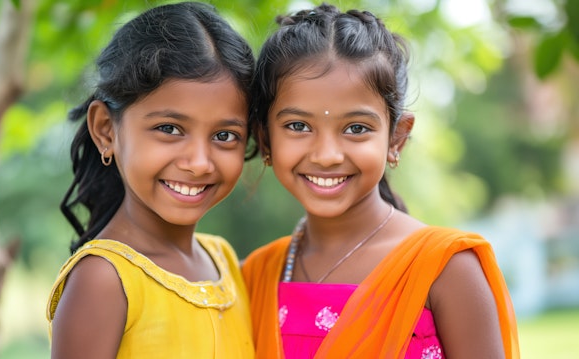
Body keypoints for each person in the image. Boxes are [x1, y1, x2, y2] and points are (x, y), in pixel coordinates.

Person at [242, 3, 520, 358]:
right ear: (265, 139)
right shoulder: (257, 275)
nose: (327, 155)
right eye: (298, 126)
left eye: (356, 128)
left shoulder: (446, 269)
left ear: (396, 138)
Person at [45, 2, 256, 358]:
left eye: (224, 136)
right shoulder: (103, 279)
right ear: (105, 130)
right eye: (169, 129)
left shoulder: (223, 260)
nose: (199, 163)